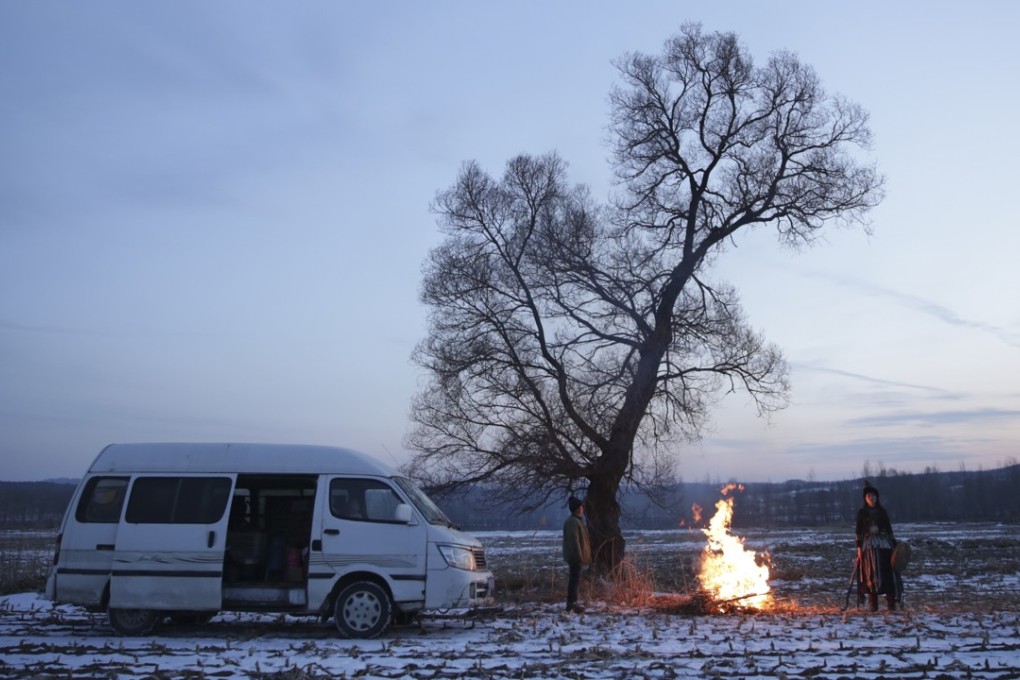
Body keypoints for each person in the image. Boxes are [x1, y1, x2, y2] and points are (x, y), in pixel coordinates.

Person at [855, 481, 900, 611]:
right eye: (869, 496)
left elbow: (889, 529)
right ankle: (873, 605)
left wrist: (895, 546)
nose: (872, 498)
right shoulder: (862, 513)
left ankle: (891, 604)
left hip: (884, 545)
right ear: (865, 498)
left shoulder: (882, 512)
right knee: (871, 575)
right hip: (869, 547)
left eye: (873, 495)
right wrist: (859, 548)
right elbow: (858, 532)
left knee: (888, 572)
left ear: (877, 497)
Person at [562, 495, 592, 613]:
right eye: (581, 507)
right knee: (574, 581)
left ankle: (572, 603)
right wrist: (579, 556)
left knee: (575, 580)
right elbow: (574, 541)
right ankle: (571, 604)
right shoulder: (573, 522)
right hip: (575, 557)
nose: (583, 509)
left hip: (576, 556)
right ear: (577, 509)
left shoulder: (576, 521)